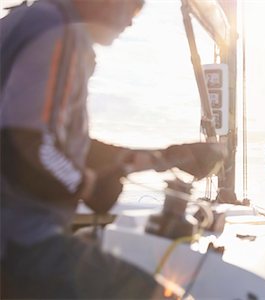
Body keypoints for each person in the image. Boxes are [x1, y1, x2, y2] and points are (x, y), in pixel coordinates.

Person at [0, 0, 224, 298]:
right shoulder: (62, 32)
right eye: (134, 7)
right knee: (162, 295)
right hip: (20, 243)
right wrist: (85, 185)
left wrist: (168, 158)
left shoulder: (24, 22)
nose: (131, 22)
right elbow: (28, 146)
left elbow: (66, 147)